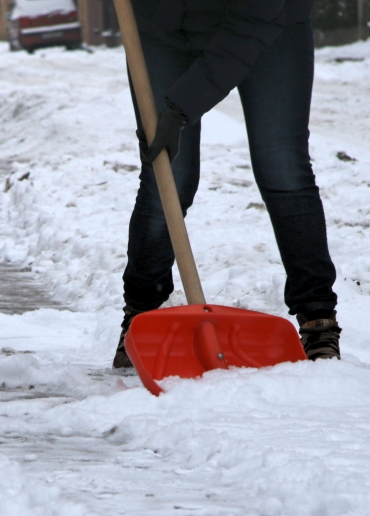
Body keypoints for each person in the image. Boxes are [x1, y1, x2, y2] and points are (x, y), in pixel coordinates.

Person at [112, 0, 342, 368]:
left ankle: (318, 320)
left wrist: (181, 107)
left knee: (282, 166)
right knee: (167, 175)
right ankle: (140, 315)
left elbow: (255, 19)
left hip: (270, 24)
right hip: (163, 26)